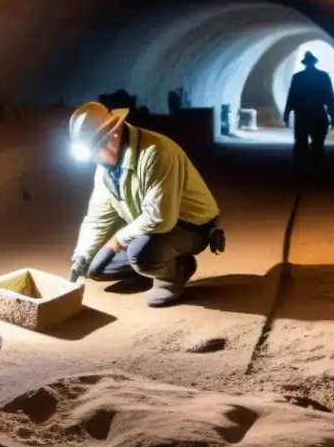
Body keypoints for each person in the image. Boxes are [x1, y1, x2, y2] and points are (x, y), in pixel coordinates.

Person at [66, 102, 224, 307]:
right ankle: (154, 265)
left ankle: (172, 274)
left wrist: (116, 241)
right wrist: (81, 255)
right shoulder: (105, 168)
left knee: (141, 254)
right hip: (149, 227)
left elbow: (160, 218)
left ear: (114, 134)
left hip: (191, 225)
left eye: (93, 150)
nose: (92, 159)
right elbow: (97, 218)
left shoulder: (156, 152)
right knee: (95, 268)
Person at [283, 51, 334, 169]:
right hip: (318, 112)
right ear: (314, 63)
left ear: (305, 63)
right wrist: (332, 116)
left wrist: (286, 114)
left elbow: (291, 97)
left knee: (301, 141)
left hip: (301, 113)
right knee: (318, 142)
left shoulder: (297, 77)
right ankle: (315, 166)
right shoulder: (323, 76)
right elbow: (330, 97)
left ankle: (302, 166)